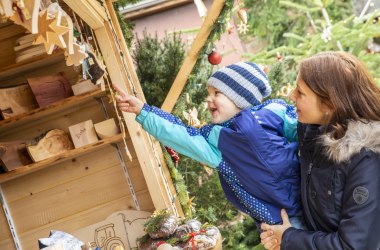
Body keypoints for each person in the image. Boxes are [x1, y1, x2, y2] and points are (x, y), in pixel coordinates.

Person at [113, 62, 303, 227]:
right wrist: (144, 111)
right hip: (283, 220)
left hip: (311, 199)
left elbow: (307, 132)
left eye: (217, 92)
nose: (208, 99)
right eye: (208, 93)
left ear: (239, 97)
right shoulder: (216, 141)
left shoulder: (274, 112)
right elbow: (179, 135)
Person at [260, 51, 380, 250]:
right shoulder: (314, 133)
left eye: (300, 92)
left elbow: (354, 246)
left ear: (330, 103)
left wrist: (289, 238)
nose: (291, 96)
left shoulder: (367, 160)